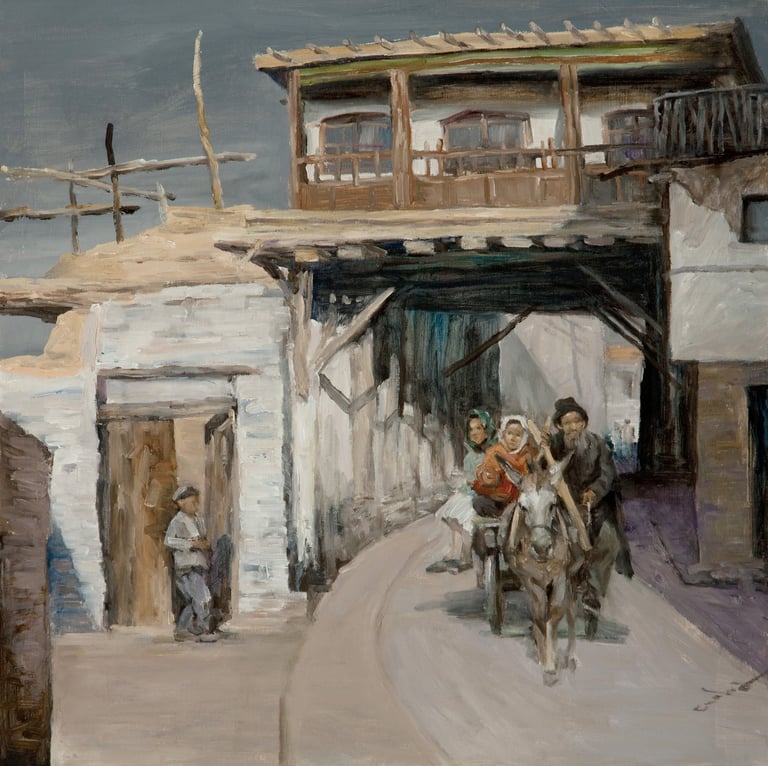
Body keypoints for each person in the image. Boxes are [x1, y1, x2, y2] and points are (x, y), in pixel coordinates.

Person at [541, 397, 634, 638]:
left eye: (577, 421)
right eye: (567, 423)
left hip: (595, 508)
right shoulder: (553, 446)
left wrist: (594, 491)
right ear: (559, 426)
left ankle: (593, 595)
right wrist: (543, 450)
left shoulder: (596, 444)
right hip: (562, 508)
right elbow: (542, 471)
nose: (573, 427)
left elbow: (607, 474)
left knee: (608, 542)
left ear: (584, 423)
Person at [426, 409, 496, 573]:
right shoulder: (470, 455)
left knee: (465, 514)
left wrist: (476, 482)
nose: (475, 433)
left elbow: (491, 478)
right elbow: (469, 478)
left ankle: (465, 555)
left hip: (485, 494)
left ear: (487, 429)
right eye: (471, 430)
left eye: (479, 428)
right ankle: (455, 551)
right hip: (470, 491)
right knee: (451, 512)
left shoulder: (492, 452)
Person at [164, 485, 218, 642]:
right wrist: (190, 544)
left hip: (199, 564)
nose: (196, 505)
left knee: (192, 599)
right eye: (192, 502)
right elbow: (169, 541)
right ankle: (204, 629)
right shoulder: (177, 521)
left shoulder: (198, 520)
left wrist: (204, 545)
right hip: (186, 567)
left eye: (196, 502)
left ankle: (183, 629)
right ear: (181, 503)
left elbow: (202, 539)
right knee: (203, 598)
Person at [472, 415, 537, 518]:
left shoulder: (528, 455)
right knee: (478, 502)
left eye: (518, 435)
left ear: (524, 437)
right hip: (497, 499)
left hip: (518, 499)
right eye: (509, 433)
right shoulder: (494, 452)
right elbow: (483, 477)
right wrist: (490, 488)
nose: (513, 438)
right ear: (503, 434)